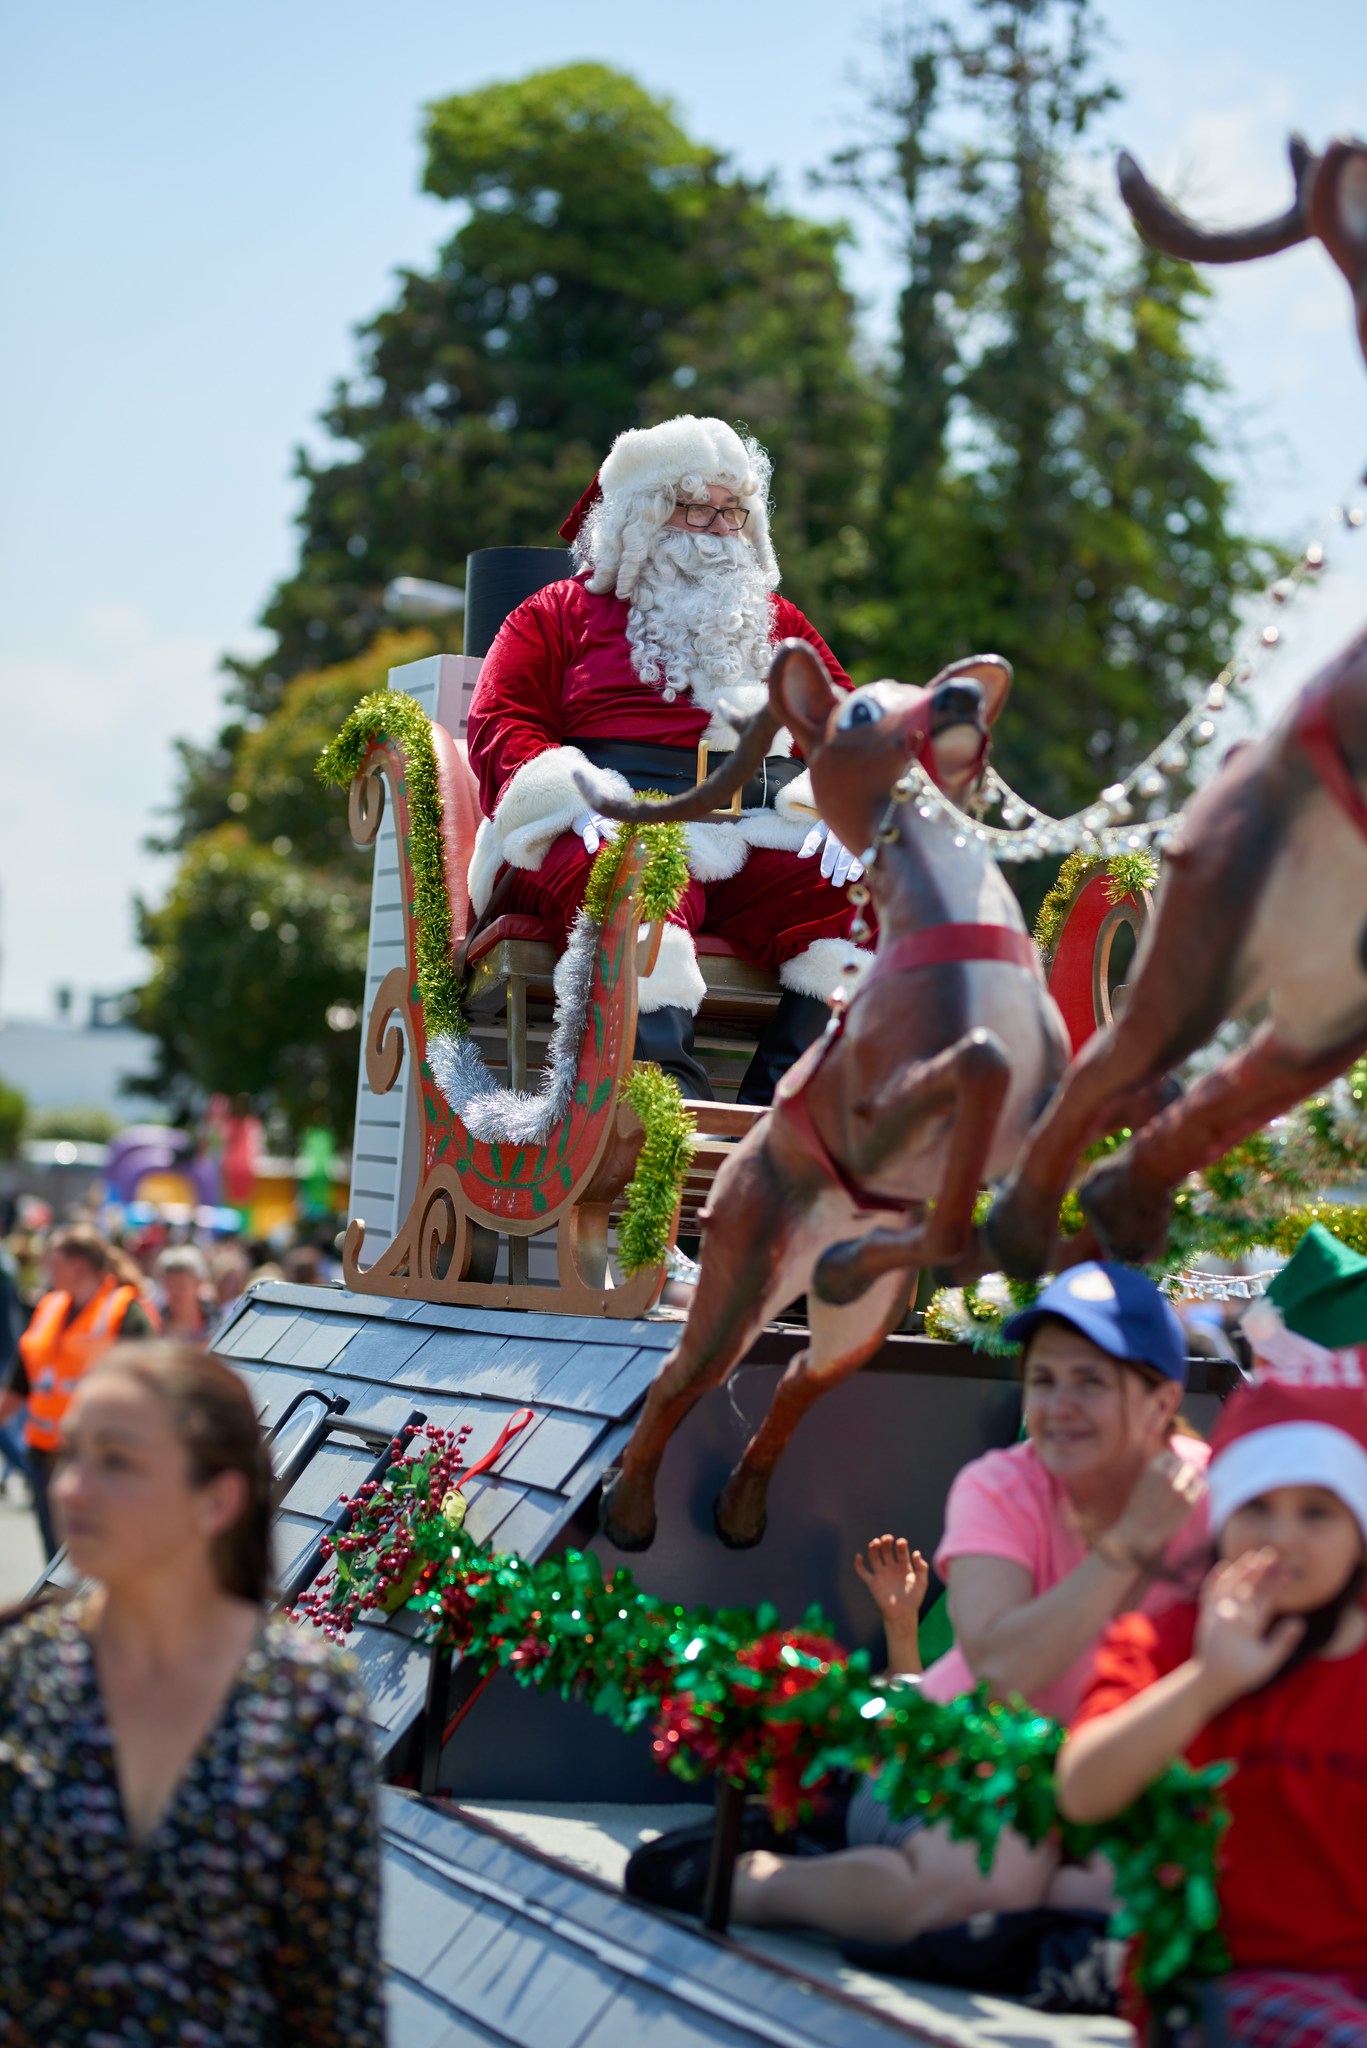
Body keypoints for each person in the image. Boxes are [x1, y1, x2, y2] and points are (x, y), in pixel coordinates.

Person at [631, 1263, 1208, 1941]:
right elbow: (999, 1667)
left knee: (1149, 1891)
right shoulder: (999, 1488)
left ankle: (1041, 1901)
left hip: (1113, 1776)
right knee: (983, 1881)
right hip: (960, 1755)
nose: (1057, 1406)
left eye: (1090, 1382)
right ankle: (753, 1883)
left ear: (1161, 1401)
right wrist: (1122, 1551)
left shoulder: (1215, 1495)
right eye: (1044, 1380)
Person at [465, 414, 867, 1105]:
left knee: (863, 890)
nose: (716, 528)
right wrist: (570, 793)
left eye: (731, 511)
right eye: (692, 506)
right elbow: (503, 722)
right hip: (594, 828)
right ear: (638, 515)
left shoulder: (781, 626)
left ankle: (783, 1115)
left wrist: (852, 805)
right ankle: (660, 1117)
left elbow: (847, 725)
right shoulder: (554, 613)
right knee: (636, 869)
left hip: (738, 830)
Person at [0, 1342, 386, 2044]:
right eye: (72, 1454)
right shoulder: (21, 1666)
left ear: (216, 1500)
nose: (72, 1488)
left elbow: (335, 1994)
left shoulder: (307, 1699)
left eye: (116, 1462)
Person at [1058, 1228, 1367, 2044]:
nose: (1285, 1537)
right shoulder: (1170, 1637)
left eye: (1316, 1513)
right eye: (1258, 1508)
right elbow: (1083, 1792)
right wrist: (1208, 1681)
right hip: (1221, 1983)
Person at [5, 1224, 159, 1558]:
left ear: (77, 1267)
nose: (46, 1267)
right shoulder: (49, 1308)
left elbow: (148, 1390)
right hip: (45, 1459)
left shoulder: (124, 1313)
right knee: (55, 1561)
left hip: (97, 1462)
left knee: (95, 1561)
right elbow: (20, 1384)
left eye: (53, 1261)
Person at [155, 1243, 215, 1343]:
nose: (175, 1292)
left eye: (182, 1285)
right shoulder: (153, 1325)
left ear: (198, 1283)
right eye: (170, 1285)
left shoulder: (218, 1327)